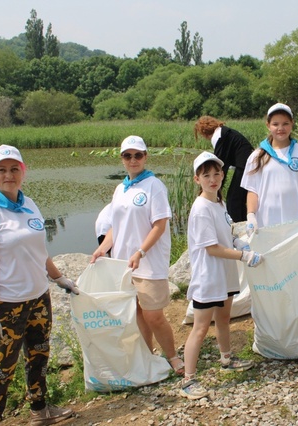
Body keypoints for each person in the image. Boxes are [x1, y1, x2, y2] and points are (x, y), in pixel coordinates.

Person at [0, 144, 76, 426]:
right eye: (1, 170)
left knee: (39, 357)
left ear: (23, 172)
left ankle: (40, 412)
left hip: (39, 298)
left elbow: (39, 251)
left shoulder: (29, 204)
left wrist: (57, 277)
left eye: (14, 169)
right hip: (8, 305)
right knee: (2, 370)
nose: (9, 175)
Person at [90, 135, 184, 375]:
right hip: (125, 264)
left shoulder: (154, 186)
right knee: (137, 312)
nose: (133, 160)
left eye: (138, 155)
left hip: (148, 262)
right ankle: (147, 354)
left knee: (154, 315)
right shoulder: (120, 189)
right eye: (127, 155)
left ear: (145, 157)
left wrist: (141, 251)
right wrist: (103, 248)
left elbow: (160, 225)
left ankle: (173, 356)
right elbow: (116, 226)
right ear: (122, 158)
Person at [179, 151, 263, 400]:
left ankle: (226, 358)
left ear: (223, 175)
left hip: (225, 275)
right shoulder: (201, 208)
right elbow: (211, 247)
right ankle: (188, 380)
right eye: (206, 175)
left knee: (224, 319)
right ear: (197, 179)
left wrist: (238, 241)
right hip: (209, 277)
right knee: (200, 328)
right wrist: (243, 256)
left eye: (217, 173)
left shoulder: (219, 203)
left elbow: (224, 235)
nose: (213, 179)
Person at [241, 103, 298, 235]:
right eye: (275, 124)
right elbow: (252, 190)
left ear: (292, 123)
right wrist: (251, 215)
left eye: (285, 123)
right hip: (267, 225)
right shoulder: (257, 156)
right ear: (268, 125)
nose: (280, 128)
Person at [194, 116, 254, 223]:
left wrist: (214, 190)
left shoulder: (220, 137)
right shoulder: (224, 132)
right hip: (248, 166)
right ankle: (243, 223)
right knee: (238, 199)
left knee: (233, 200)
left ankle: (238, 226)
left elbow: (221, 167)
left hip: (245, 167)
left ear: (203, 132)